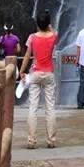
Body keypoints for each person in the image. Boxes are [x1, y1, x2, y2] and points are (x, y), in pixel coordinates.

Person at [19, 10, 57, 149]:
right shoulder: (54, 36)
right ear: (48, 24)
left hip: (35, 73)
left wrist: (22, 72)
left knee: (33, 107)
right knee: (50, 108)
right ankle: (51, 140)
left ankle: (31, 141)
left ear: (37, 24)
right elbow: (53, 31)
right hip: (49, 74)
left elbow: (27, 56)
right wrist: (48, 26)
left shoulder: (32, 37)